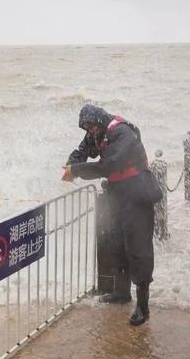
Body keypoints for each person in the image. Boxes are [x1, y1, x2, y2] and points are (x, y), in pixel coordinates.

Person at [62, 104, 155, 326]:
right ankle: (121, 293)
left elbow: (109, 165)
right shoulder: (96, 133)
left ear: (101, 121)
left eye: (92, 126)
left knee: (138, 250)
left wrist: (77, 171)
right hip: (116, 195)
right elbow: (81, 151)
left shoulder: (123, 133)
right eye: (87, 128)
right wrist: (71, 163)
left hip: (137, 195)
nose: (90, 131)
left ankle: (143, 306)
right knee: (114, 243)